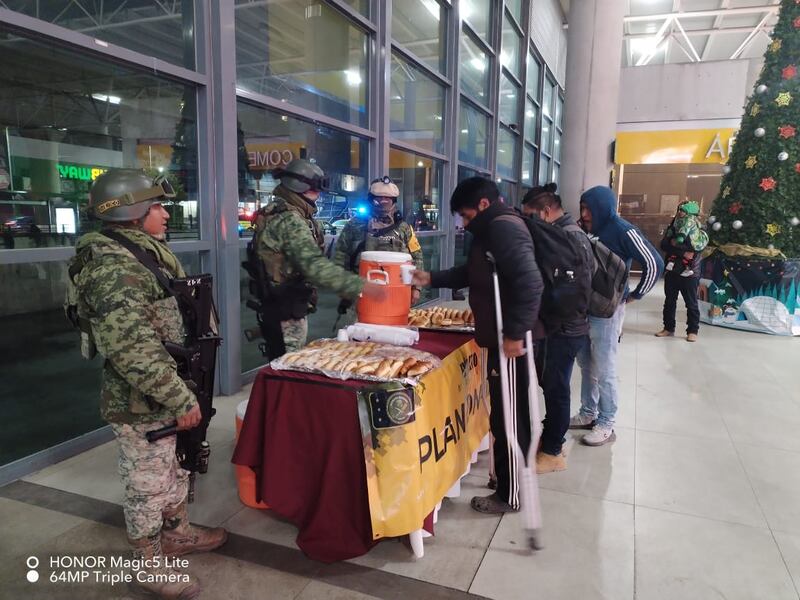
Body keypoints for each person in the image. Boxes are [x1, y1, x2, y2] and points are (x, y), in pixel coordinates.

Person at [68, 169, 226, 600]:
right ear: (133, 212)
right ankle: (147, 562)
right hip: (140, 401)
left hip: (163, 391)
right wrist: (179, 397)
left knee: (174, 471)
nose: (164, 213)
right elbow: (132, 348)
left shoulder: (143, 254)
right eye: (157, 205)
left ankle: (176, 535)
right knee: (146, 484)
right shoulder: (114, 268)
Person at [413, 177, 543, 514]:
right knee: (504, 415)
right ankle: (508, 480)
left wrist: (514, 334)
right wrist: (433, 278)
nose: (464, 224)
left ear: (484, 205)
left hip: (511, 342)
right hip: (500, 338)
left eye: (467, 216)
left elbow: (531, 283)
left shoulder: (503, 229)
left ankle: (511, 494)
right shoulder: (490, 229)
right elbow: (474, 273)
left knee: (510, 420)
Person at [247, 158, 384, 355]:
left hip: (283, 304)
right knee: (288, 367)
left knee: (284, 363)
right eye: (316, 189)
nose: (319, 195)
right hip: (284, 309)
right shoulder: (289, 220)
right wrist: (360, 285)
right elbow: (314, 266)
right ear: (300, 187)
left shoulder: (285, 213)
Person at [571, 186, 664, 446]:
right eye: (583, 207)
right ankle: (588, 412)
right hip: (584, 308)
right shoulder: (586, 228)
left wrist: (635, 295)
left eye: (589, 208)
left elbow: (654, 261)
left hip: (607, 311)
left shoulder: (623, 229)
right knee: (586, 364)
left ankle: (606, 422)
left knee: (605, 367)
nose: (585, 213)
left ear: (602, 207)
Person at [521, 183, 592, 474]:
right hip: (570, 324)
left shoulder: (564, 237)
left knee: (556, 387)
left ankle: (552, 451)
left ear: (547, 211)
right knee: (554, 384)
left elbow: (569, 286)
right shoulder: (575, 233)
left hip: (564, 327)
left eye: (532, 217)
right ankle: (551, 439)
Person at [334, 176, 425, 308]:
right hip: (361, 291)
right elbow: (341, 255)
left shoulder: (403, 227)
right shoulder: (355, 224)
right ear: (371, 198)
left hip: (396, 290)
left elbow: (417, 257)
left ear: (393, 200)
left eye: (387, 198)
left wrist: (416, 288)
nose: (383, 201)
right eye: (379, 197)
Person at [656, 200, 708, 342]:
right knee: (669, 301)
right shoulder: (674, 225)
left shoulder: (699, 228)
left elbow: (696, 249)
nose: (680, 213)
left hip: (691, 272)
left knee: (691, 303)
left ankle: (692, 331)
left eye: (683, 210)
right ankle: (668, 328)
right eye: (679, 210)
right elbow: (664, 244)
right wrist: (682, 252)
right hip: (672, 270)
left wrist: (677, 245)